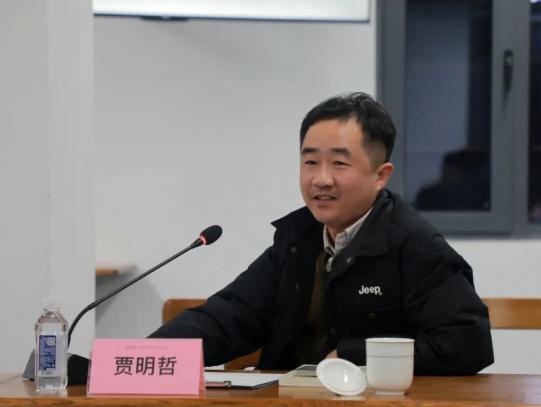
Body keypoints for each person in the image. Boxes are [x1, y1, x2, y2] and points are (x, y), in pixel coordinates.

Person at [150, 92, 494, 375]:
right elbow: (229, 316)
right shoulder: (297, 238)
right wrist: (145, 356)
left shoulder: (416, 246)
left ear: (381, 175)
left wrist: (353, 355)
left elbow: (467, 343)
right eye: (310, 162)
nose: (321, 179)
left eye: (339, 163)